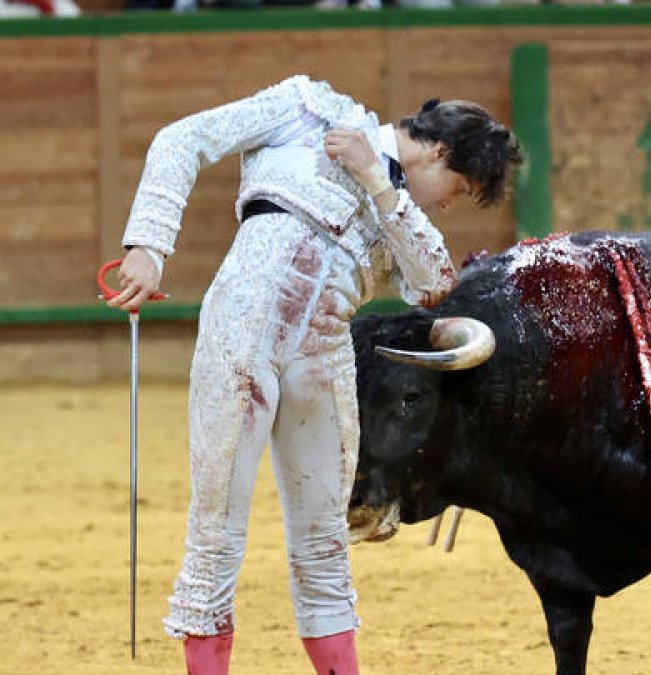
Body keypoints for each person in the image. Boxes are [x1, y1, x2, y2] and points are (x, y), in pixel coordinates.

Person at [107, 75, 522, 675]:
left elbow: (433, 283)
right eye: (455, 188)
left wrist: (378, 181)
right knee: (216, 534)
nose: (446, 204)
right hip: (241, 335)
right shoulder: (307, 109)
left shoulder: (394, 206)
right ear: (437, 152)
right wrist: (148, 243)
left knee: (325, 542)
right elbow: (182, 138)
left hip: (323, 357)